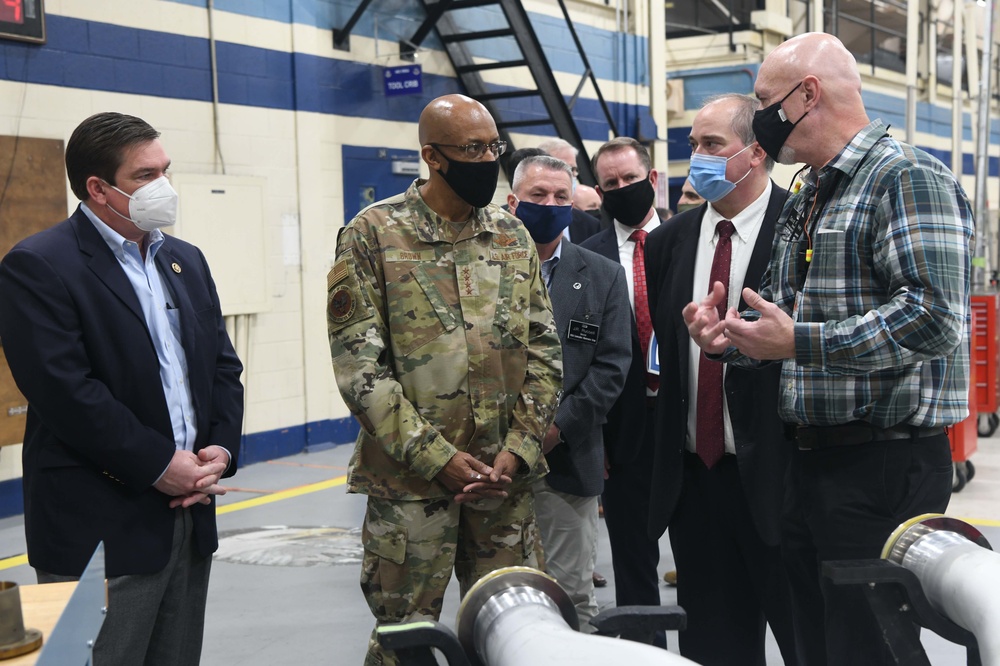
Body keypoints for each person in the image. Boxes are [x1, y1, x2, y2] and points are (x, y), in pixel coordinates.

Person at [684, 33, 974, 665]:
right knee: (814, 642)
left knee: (867, 646)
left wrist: (801, 341)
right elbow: (785, 325)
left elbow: (933, 319)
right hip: (808, 462)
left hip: (882, 465)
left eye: (765, 100)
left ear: (805, 95)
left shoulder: (907, 178)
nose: (758, 116)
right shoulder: (813, 192)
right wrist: (729, 340)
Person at [327, 93, 563, 666]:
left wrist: (519, 448)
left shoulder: (511, 237)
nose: (488, 159)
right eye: (473, 149)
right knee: (404, 642)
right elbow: (361, 370)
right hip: (411, 489)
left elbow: (545, 353)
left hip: (503, 487)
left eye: (493, 146)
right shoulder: (372, 235)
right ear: (433, 156)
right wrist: (439, 458)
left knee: (516, 635)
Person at [0, 112, 243, 666]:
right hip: (100, 523)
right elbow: (66, 394)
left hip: (189, 514)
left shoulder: (185, 260)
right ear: (98, 188)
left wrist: (219, 453)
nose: (164, 187)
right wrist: (160, 463)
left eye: (166, 170)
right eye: (144, 175)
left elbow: (221, 368)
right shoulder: (39, 266)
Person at [646, 93, 797, 665]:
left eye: (713, 145)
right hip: (696, 482)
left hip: (780, 479)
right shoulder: (668, 242)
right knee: (713, 647)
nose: (698, 158)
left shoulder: (800, 229)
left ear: (755, 153)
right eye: (693, 146)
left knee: (804, 639)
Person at [508, 155, 632, 630]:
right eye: (539, 195)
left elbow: (611, 366)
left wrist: (556, 429)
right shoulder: (481, 270)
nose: (551, 204)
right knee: (501, 598)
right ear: (513, 201)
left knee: (571, 598)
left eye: (562, 196)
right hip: (489, 463)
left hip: (566, 459)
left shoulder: (602, 275)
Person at [579, 136, 663, 644]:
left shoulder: (692, 238)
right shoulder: (585, 258)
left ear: (652, 179)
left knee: (704, 557)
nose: (622, 189)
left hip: (690, 425)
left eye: (630, 179)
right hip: (622, 430)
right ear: (598, 191)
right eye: (610, 184)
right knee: (634, 563)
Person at [538, 137, 601, 243]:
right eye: (564, 168)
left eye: (573, 169)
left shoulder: (590, 224)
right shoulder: (518, 219)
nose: (571, 175)